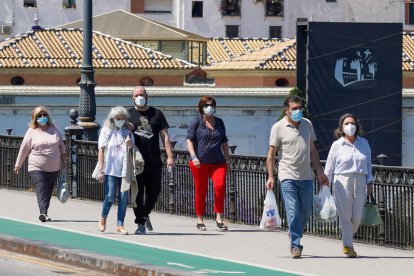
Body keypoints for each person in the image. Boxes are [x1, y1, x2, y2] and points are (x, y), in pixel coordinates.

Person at [265, 95, 329, 258]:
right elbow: (271, 155)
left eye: (299, 108)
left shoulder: (307, 124)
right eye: (294, 108)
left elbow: (313, 150)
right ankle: (296, 244)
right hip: (287, 176)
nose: (297, 111)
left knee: (306, 211)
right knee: (293, 211)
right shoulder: (278, 127)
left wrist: (320, 172)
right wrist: (271, 176)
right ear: (286, 110)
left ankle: (293, 232)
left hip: (306, 176)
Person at [324, 113, 373, 258]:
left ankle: (346, 237)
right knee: (345, 216)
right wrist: (325, 184)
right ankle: (348, 246)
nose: (350, 125)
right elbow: (329, 167)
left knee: (357, 217)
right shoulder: (337, 145)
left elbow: (368, 164)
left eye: (352, 123)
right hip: (342, 180)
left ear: (357, 126)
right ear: (341, 127)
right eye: (346, 123)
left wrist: (370, 182)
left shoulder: (364, 143)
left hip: (360, 180)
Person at [127, 86, 175, 235]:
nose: (139, 97)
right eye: (136, 95)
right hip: (136, 162)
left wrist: (170, 157)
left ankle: (145, 213)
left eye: (142, 94)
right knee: (137, 193)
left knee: (154, 191)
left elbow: (165, 136)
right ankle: (140, 223)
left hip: (154, 160)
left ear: (147, 96)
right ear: (132, 97)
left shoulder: (157, 113)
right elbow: (122, 134)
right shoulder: (128, 114)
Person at [14, 106, 67, 222]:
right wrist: (18, 164)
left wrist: (64, 161)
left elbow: (62, 147)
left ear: (47, 117)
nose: (42, 117)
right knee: (41, 188)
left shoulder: (54, 129)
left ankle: (45, 212)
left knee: (48, 191)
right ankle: (43, 212)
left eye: (44, 115)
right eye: (39, 116)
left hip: (54, 167)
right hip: (36, 166)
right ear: (35, 118)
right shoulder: (31, 132)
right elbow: (24, 149)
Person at [187, 96, 231, 231]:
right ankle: (200, 219)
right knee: (201, 190)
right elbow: (189, 140)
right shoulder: (196, 122)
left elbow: (224, 141)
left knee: (220, 186)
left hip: (218, 162)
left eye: (211, 105)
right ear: (201, 108)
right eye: (206, 105)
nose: (209, 107)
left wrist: (228, 159)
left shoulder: (219, 122)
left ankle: (219, 217)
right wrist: (193, 156)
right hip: (200, 162)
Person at [96, 106, 134, 235]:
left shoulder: (128, 132)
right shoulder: (107, 130)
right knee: (110, 196)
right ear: (113, 119)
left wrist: (129, 143)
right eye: (118, 118)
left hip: (124, 169)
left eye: (123, 118)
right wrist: (101, 168)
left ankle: (120, 224)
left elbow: (132, 150)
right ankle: (103, 217)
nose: (121, 120)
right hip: (110, 169)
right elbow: (101, 150)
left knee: (123, 197)